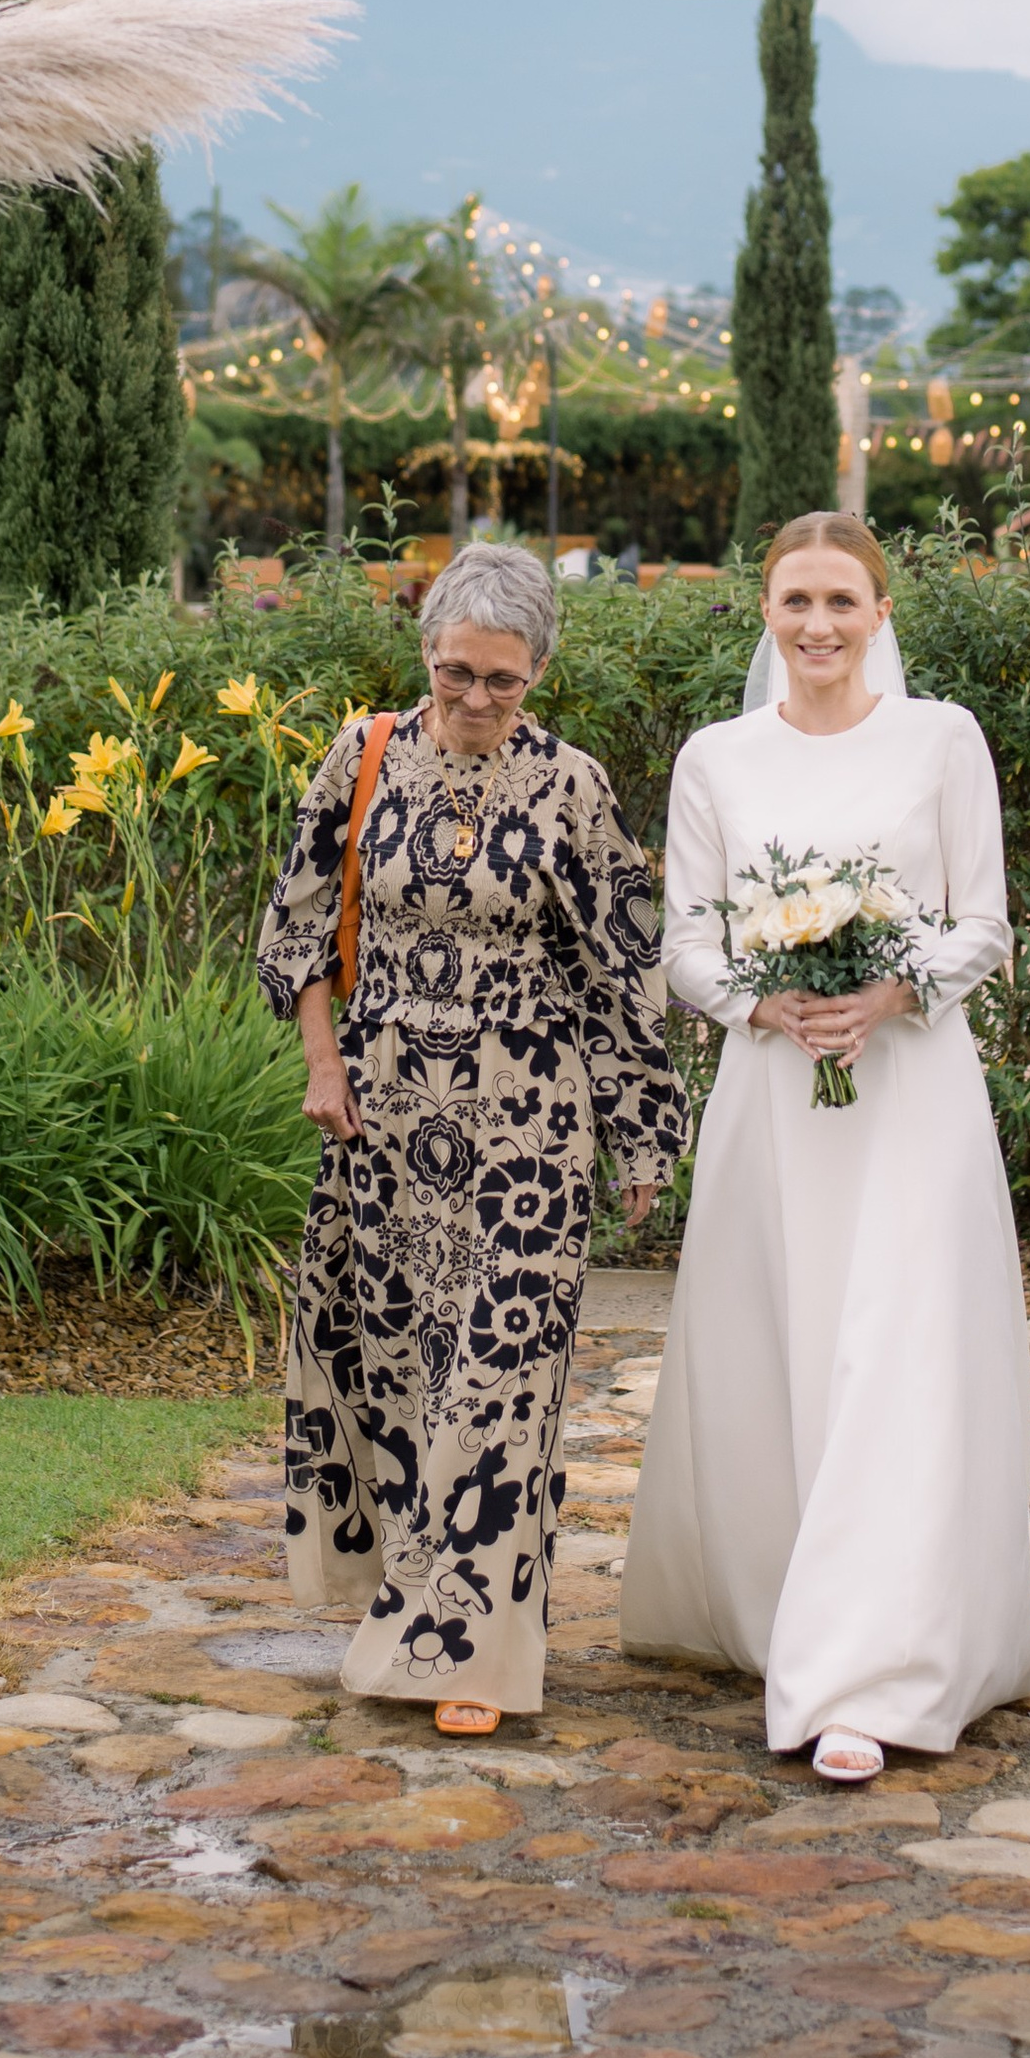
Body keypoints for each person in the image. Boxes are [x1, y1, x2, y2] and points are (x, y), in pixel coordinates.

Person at [620, 513, 1030, 1780]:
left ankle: (874, 1669)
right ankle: (777, 1602)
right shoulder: (716, 758)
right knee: (784, 1347)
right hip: (772, 1098)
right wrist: (765, 999)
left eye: (841, 600)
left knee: (898, 1360)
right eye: (795, 599)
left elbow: (986, 921)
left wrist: (895, 986)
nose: (817, 624)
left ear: (880, 610)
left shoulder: (941, 738)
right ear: (765, 610)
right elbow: (684, 940)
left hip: (909, 1095)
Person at [259, 541, 687, 1736]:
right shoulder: (363, 755)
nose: (477, 698)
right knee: (395, 1369)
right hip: (385, 1114)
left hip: (528, 1118)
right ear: (424, 654)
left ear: (539, 668)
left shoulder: (573, 785)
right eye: (457, 672)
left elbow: (622, 969)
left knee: (501, 1383)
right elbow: (295, 924)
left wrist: (642, 1130)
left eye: (503, 678)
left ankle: (472, 1652)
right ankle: (409, 1598)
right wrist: (323, 1064)